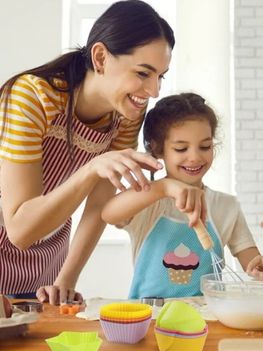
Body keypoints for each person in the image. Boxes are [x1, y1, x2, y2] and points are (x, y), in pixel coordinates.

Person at [0, 0, 174, 304]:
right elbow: (19, 229)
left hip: (42, 267)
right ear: (100, 57)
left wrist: (65, 279)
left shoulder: (126, 116)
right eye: (144, 73)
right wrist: (93, 167)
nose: (154, 91)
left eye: (161, 76)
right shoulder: (33, 96)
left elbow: (99, 206)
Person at [101, 93, 263, 298]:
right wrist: (164, 187)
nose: (195, 157)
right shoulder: (148, 201)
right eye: (181, 148)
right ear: (159, 149)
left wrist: (261, 265)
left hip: (204, 319)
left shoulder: (226, 206)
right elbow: (109, 214)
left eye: (205, 146)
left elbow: (252, 261)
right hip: (150, 318)